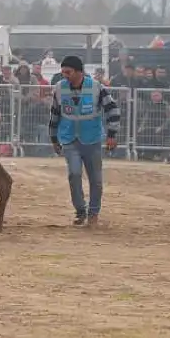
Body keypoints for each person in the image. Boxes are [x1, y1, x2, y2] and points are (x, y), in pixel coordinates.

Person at [48, 55, 120, 227]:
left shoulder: (96, 87)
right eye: (63, 72)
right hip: (69, 139)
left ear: (79, 71)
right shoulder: (59, 88)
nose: (64, 75)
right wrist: (53, 138)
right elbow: (54, 114)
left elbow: (113, 110)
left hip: (92, 139)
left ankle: (93, 213)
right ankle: (80, 210)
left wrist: (112, 134)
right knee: (74, 174)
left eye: (68, 72)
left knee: (95, 179)